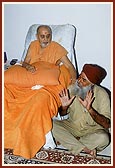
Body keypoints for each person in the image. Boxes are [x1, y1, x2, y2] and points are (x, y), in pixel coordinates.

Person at [4, 25, 76, 159]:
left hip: (46, 82)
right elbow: (24, 62)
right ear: (37, 36)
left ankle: (27, 137)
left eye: (48, 35)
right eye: (42, 36)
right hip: (29, 79)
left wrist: (73, 83)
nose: (46, 39)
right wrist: (28, 66)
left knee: (40, 98)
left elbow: (70, 66)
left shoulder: (56, 48)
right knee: (5, 89)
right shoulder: (33, 45)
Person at [52, 64, 111, 158]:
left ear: (92, 84)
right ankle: (84, 148)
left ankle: (72, 142)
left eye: (84, 80)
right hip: (72, 126)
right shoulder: (72, 89)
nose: (79, 81)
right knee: (51, 125)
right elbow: (62, 113)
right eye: (80, 76)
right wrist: (64, 107)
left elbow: (107, 124)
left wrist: (90, 109)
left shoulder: (103, 95)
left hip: (92, 130)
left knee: (104, 138)